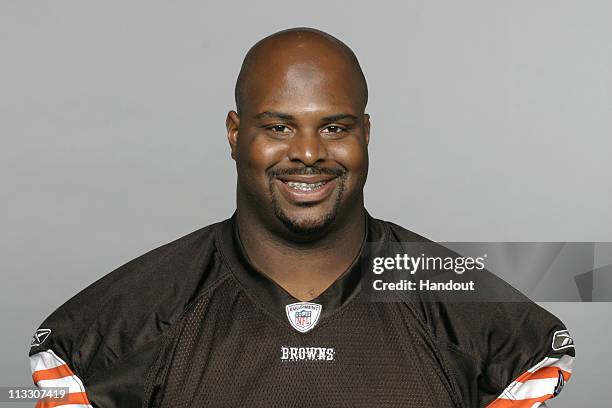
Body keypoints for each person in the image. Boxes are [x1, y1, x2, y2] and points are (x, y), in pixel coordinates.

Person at [29, 27, 575, 407]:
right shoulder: (133, 318)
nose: (310, 153)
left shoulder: (463, 308)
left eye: (334, 127)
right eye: (279, 127)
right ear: (235, 134)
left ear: (366, 134)